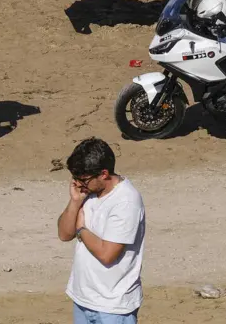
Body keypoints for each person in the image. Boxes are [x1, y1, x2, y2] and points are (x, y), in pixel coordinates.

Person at [57, 137, 145, 324]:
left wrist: (81, 229)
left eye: (83, 179)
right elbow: (64, 234)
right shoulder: (86, 193)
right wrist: (75, 202)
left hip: (113, 307)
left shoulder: (126, 201)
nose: (79, 184)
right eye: (75, 178)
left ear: (104, 173)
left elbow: (107, 254)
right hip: (83, 298)